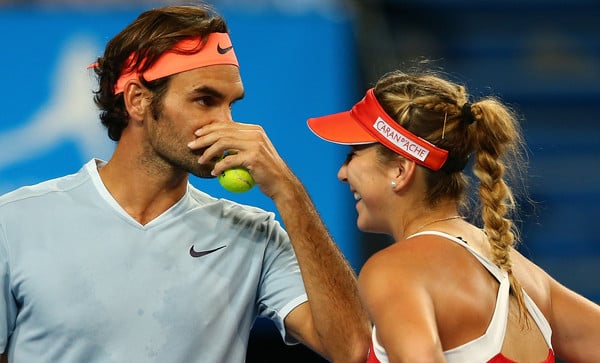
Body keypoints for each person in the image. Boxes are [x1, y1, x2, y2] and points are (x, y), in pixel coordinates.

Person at [0, 4, 371, 362]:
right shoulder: (14, 221)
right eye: (205, 100)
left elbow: (351, 349)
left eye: (230, 105)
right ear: (138, 101)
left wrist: (289, 192)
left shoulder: (255, 235)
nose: (226, 124)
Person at [307, 69, 600, 362]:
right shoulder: (523, 274)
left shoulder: (394, 271)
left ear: (400, 170)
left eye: (353, 154)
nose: (342, 173)